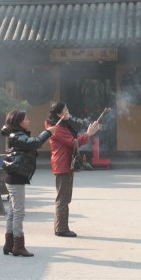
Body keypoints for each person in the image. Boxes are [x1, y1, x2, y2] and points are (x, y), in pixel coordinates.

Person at [0, 109, 56, 257]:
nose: (29, 121)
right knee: (19, 212)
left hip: (14, 176)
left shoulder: (16, 134)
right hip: (15, 177)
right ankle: (18, 245)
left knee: (13, 211)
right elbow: (35, 143)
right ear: (19, 122)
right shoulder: (17, 135)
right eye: (26, 119)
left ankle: (9, 244)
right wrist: (48, 132)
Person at [47, 102, 99, 238]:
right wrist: (88, 134)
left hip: (65, 164)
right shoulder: (56, 128)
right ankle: (61, 228)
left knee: (64, 197)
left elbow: (73, 140)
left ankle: (61, 227)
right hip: (62, 164)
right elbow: (73, 142)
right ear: (59, 114)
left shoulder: (60, 126)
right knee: (63, 198)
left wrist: (88, 134)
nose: (68, 112)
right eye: (65, 110)